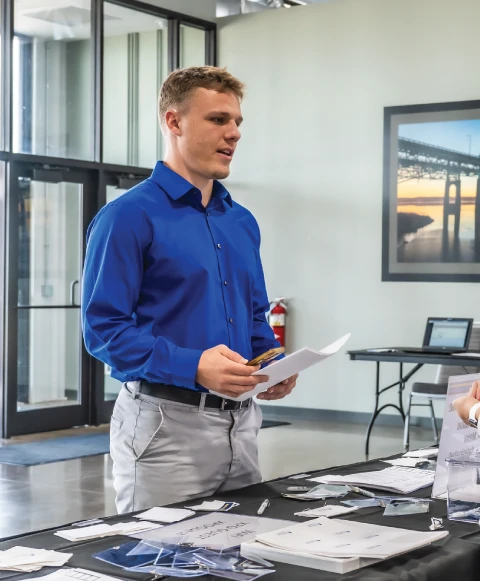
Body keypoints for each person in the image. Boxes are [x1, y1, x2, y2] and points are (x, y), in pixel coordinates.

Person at [81, 66, 298, 513]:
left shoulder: (241, 222)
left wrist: (272, 363)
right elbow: (103, 330)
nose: (234, 133)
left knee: (240, 554)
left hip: (242, 423)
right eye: (218, 120)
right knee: (163, 561)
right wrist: (194, 365)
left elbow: (254, 316)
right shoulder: (126, 217)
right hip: (166, 426)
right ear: (174, 122)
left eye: (237, 122)